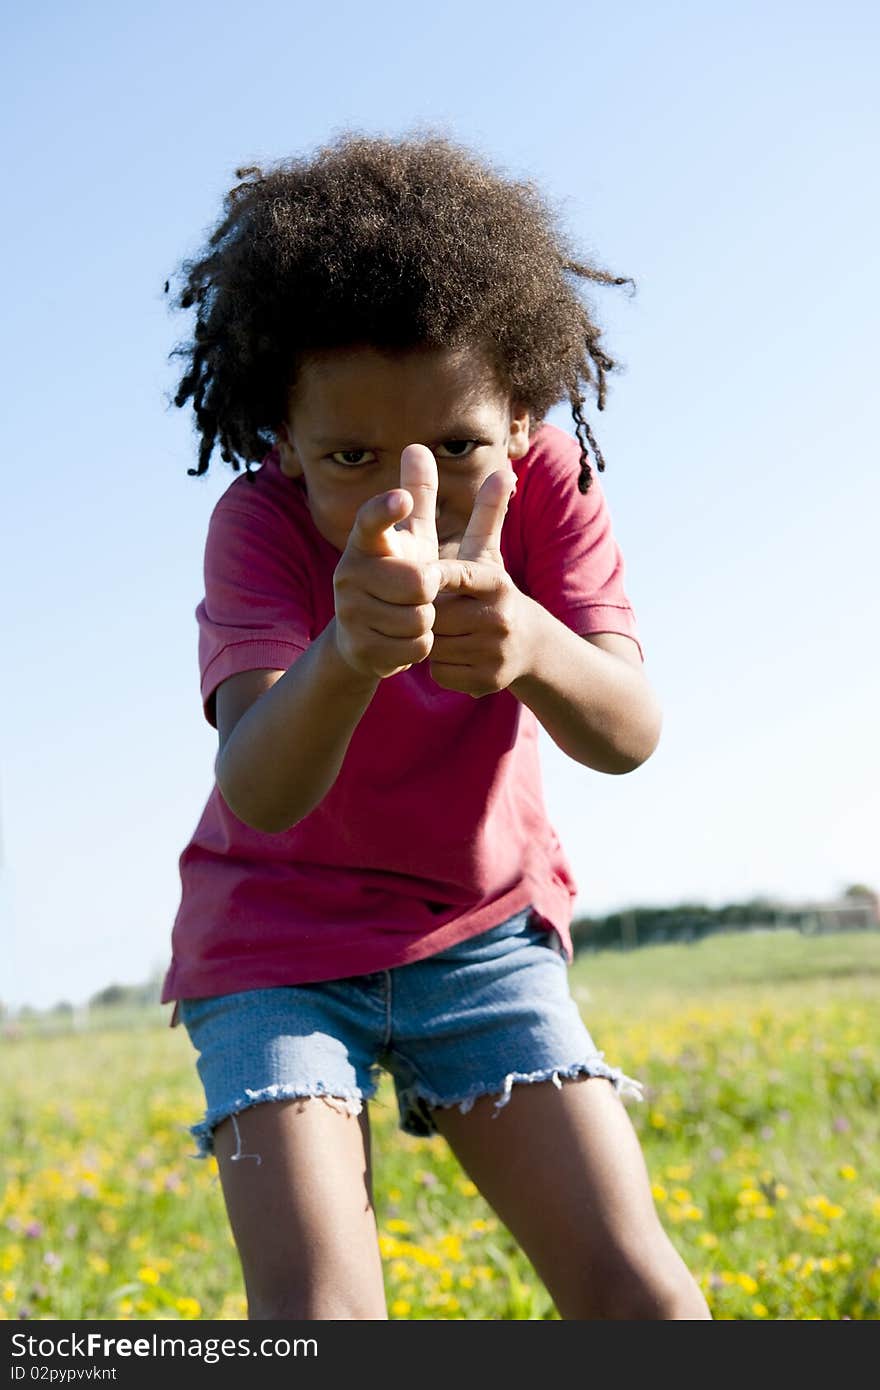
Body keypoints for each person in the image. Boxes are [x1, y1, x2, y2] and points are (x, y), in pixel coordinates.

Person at [161, 130, 710, 1321]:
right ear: (283, 442)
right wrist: (347, 657)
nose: (407, 490)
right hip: (276, 948)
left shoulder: (550, 491)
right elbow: (259, 785)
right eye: (350, 456)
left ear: (521, 416)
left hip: (479, 933)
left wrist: (530, 642)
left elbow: (626, 730)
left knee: (644, 1299)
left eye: (455, 446)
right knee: (322, 1322)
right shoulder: (257, 527)